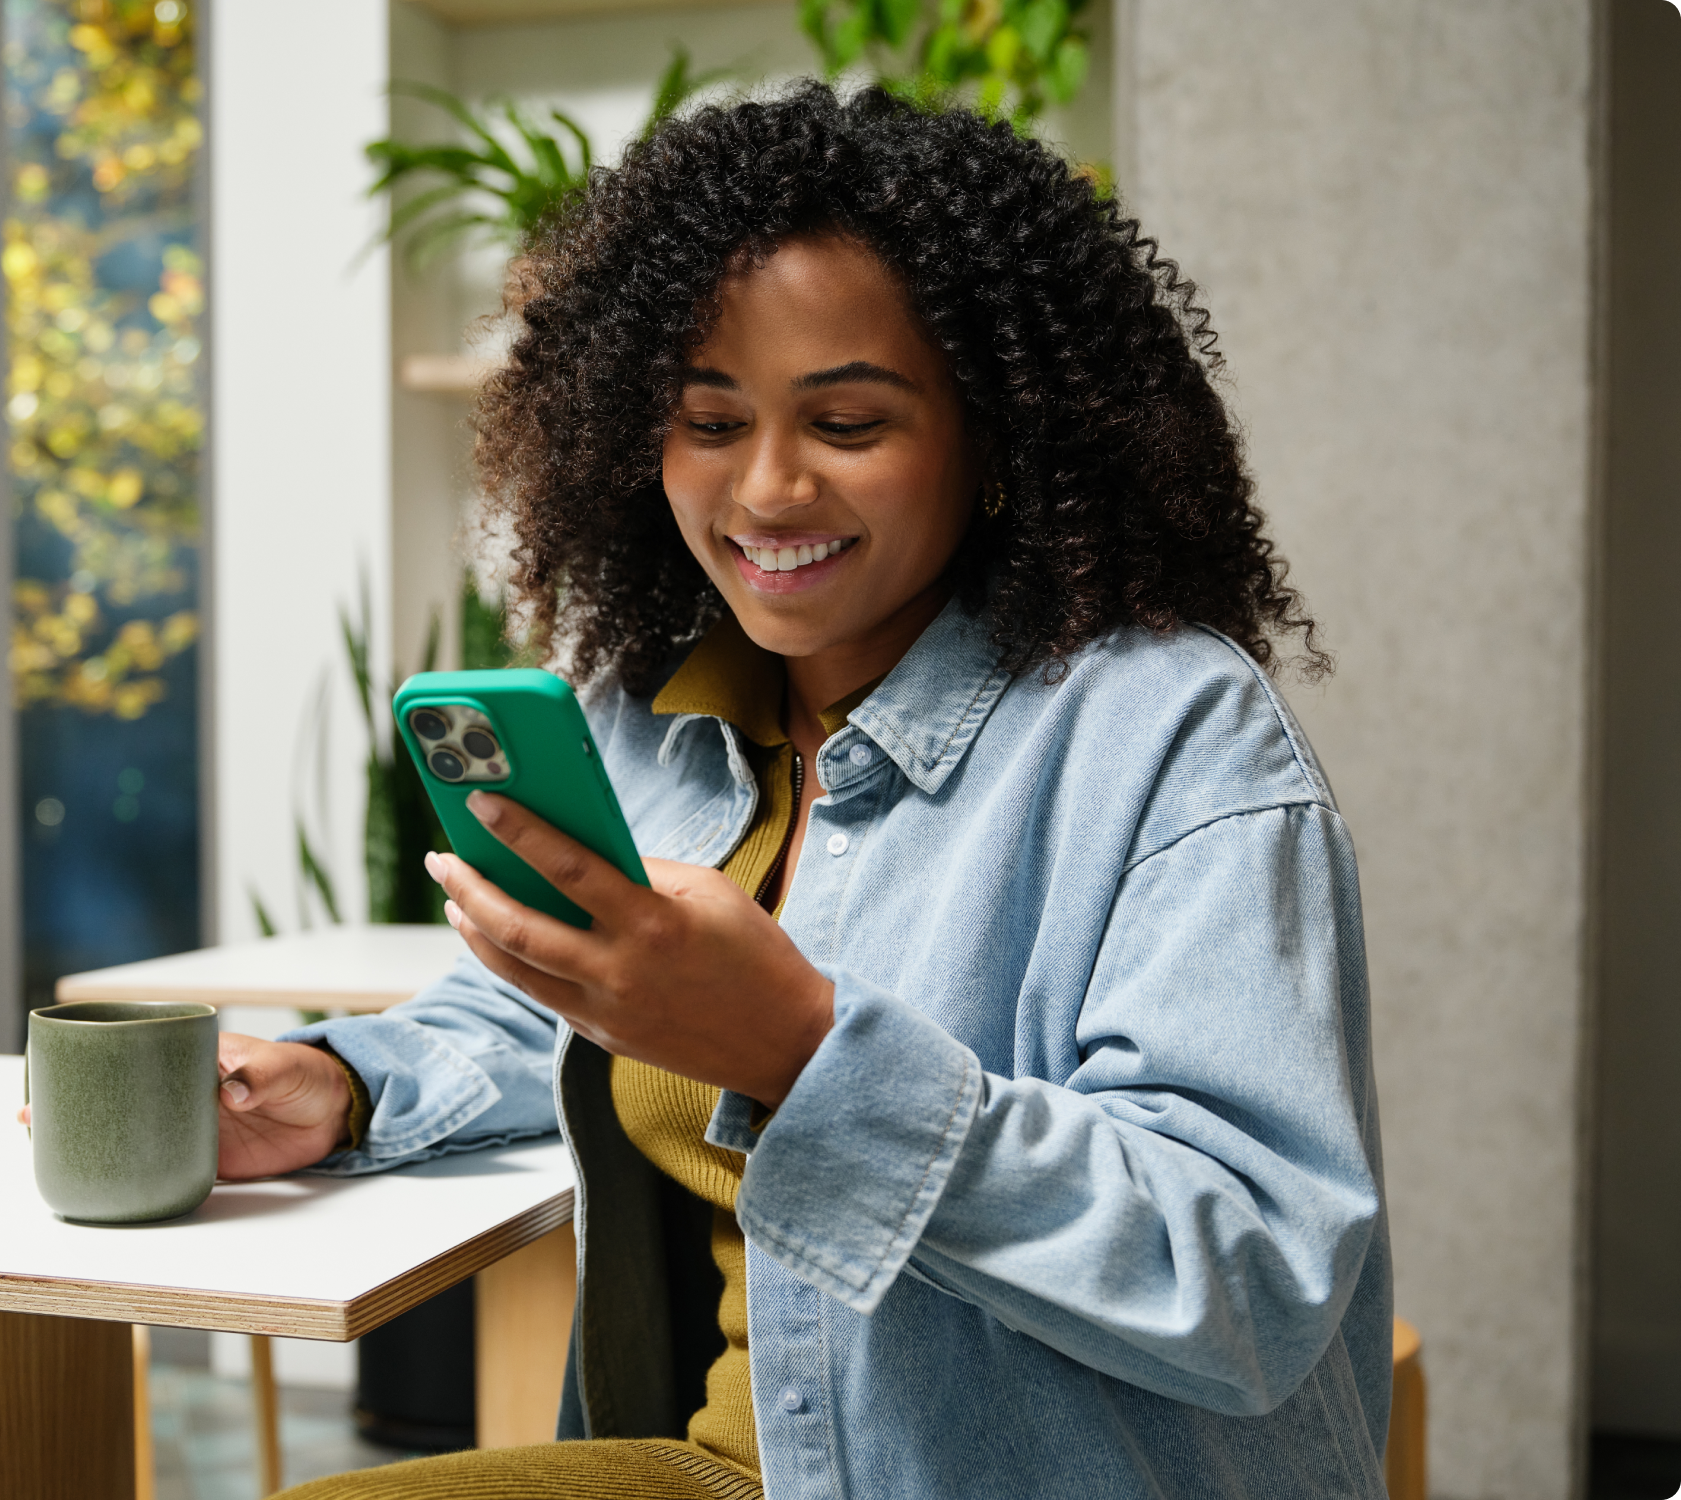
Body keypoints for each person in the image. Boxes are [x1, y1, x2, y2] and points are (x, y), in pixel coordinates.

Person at [219, 83, 1390, 1500]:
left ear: (997, 436)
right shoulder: (658, 718)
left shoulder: (1171, 737)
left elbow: (1251, 1269)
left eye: (845, 422)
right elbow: (557, 1001)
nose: (765, 490)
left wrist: (806, 1055)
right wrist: (342, 1086)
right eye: (709, 422)